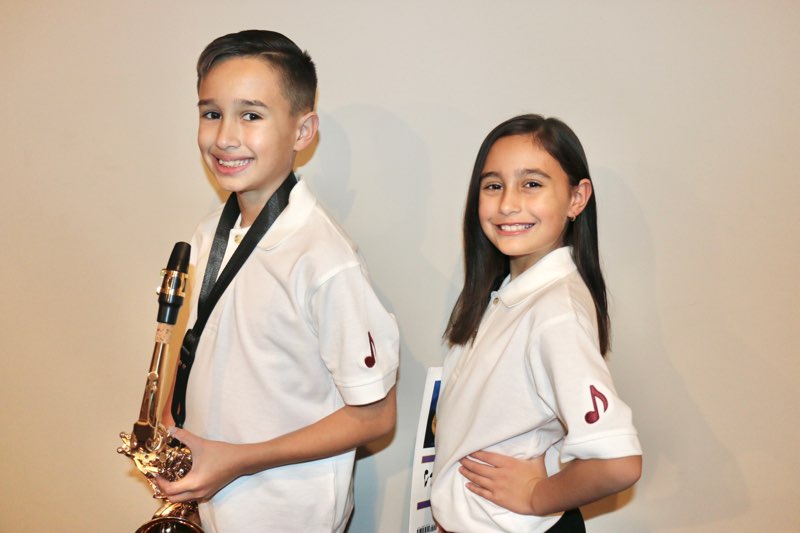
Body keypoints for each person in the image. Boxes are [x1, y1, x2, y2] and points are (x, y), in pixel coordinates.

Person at [155, 30, 399, 533]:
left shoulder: (324, 258)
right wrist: (171, 420)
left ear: (303, 131)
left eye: (251, 115)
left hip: (289, 516)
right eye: (211, 113)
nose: (224, 137)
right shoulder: (211, 231)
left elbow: (376, 416)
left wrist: (236, 460)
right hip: (218, 503)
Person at [431, 114, 642, 532]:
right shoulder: (508, 294)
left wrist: (536, 495)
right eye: (493, 186)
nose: (508, 204)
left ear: (577, 198)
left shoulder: (555, 312)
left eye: (531, 184)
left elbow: (618, 463)